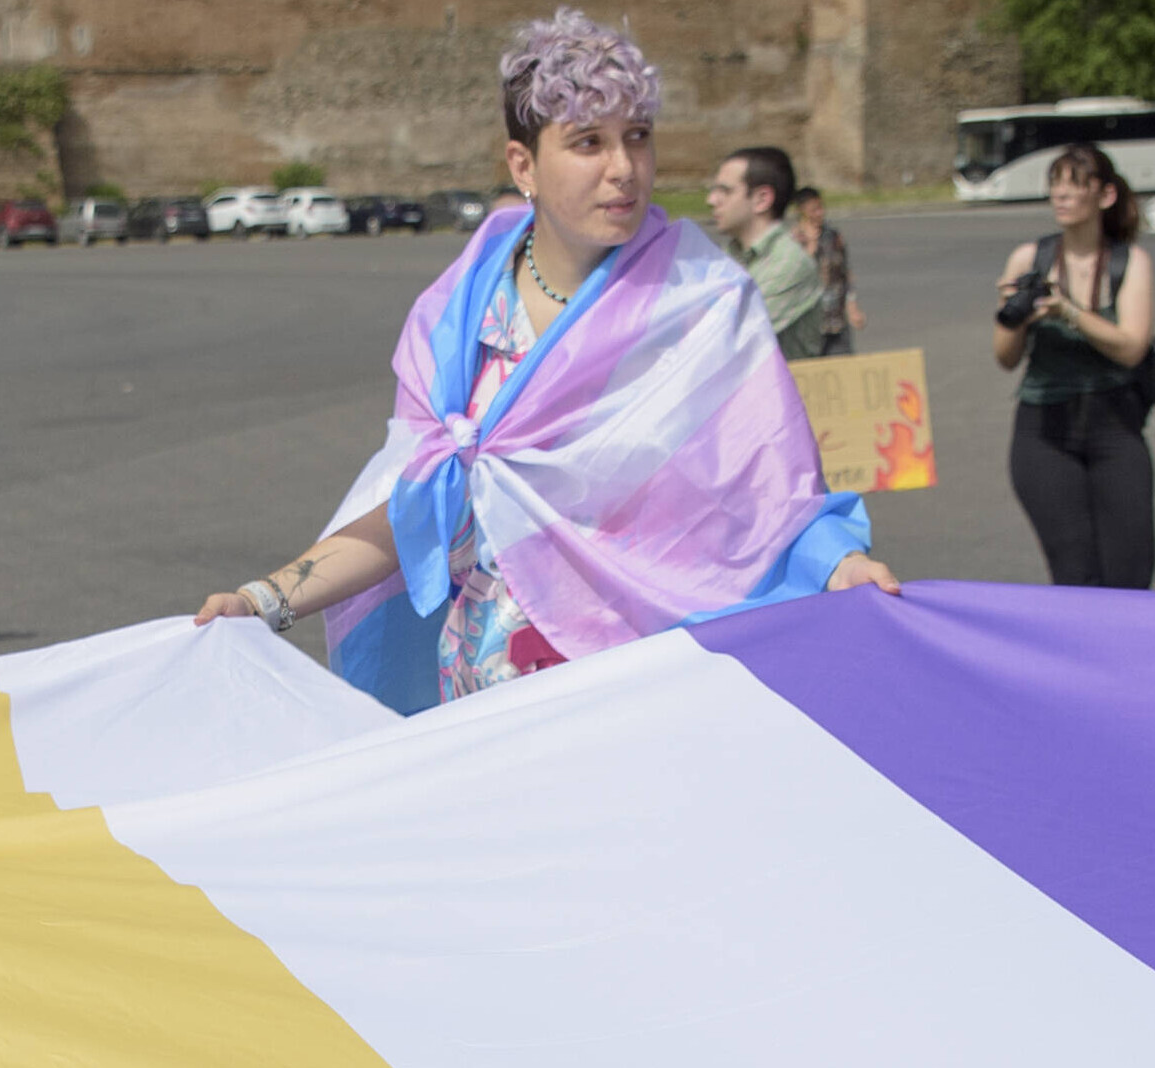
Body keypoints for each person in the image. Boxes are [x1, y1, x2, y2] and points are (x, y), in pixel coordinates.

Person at [193, 9, 895, 712]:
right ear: (523, 165)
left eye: (638, 137)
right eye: (588, 142)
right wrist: (264, 599)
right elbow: (413, 509)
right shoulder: (457, 321)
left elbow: (771, 494)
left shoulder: (702, 304)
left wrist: (839, 563)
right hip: (481, 702)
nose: (623, 169)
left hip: (635, 699)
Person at [992, 143, 1155, 589]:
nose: (1061, 197)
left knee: (1131, 574)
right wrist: (1016, 312)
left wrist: (1067, 312)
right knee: (1076, 575)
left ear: (1104, 196)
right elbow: (1005, 358)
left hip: (1115, 428)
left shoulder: (1130, 261)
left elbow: (1131, 348)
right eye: (1054, 187)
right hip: (1044, 431)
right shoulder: (1029, 259)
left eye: (1074, 186)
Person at [706, 145, 827, 359]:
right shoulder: (729, 255)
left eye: (725, 191)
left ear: (762, 199)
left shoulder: (789, 263)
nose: (712, 200)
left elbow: (726, 336)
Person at [790, 184, 861, 354]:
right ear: (802, 212)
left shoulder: (833, 237)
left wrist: (852, 309)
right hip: (808, 328)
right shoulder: (792, 242)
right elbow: (793, 279)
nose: (819, 213)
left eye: (821, 208)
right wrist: (810, 247)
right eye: (813, 210)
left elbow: (844, 274)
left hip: (836, 322)